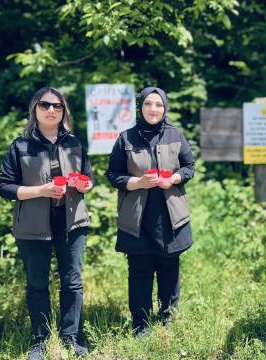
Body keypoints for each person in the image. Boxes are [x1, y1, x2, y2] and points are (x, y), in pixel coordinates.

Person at [0, 87, 93, 359]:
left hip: (72, 223)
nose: (51, 110)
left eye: (57, 106)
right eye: (45, 105)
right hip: (32, 227)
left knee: (72, 282)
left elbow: (88, 177)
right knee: (37, 284)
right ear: (35, 109)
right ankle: (39, 340)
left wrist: (84, 184)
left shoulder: (74, 143)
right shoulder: (20, 146)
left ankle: (71, 337)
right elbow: (4, 187)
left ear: (64, 111)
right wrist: (40, 191)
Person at [106, 86, 195, 337]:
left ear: (164, 108)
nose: (153, 109)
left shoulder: (175, 135)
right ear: (140, 107)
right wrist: (137, 183)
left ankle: (168, 316)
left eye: (158, 104)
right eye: (148, 104)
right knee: (139, 270)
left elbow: (190, 167)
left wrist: (175, 178)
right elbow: (113, 174)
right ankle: (141, 323)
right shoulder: (126, 138)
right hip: (137, 217)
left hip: (170, 215)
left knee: (169, 267)